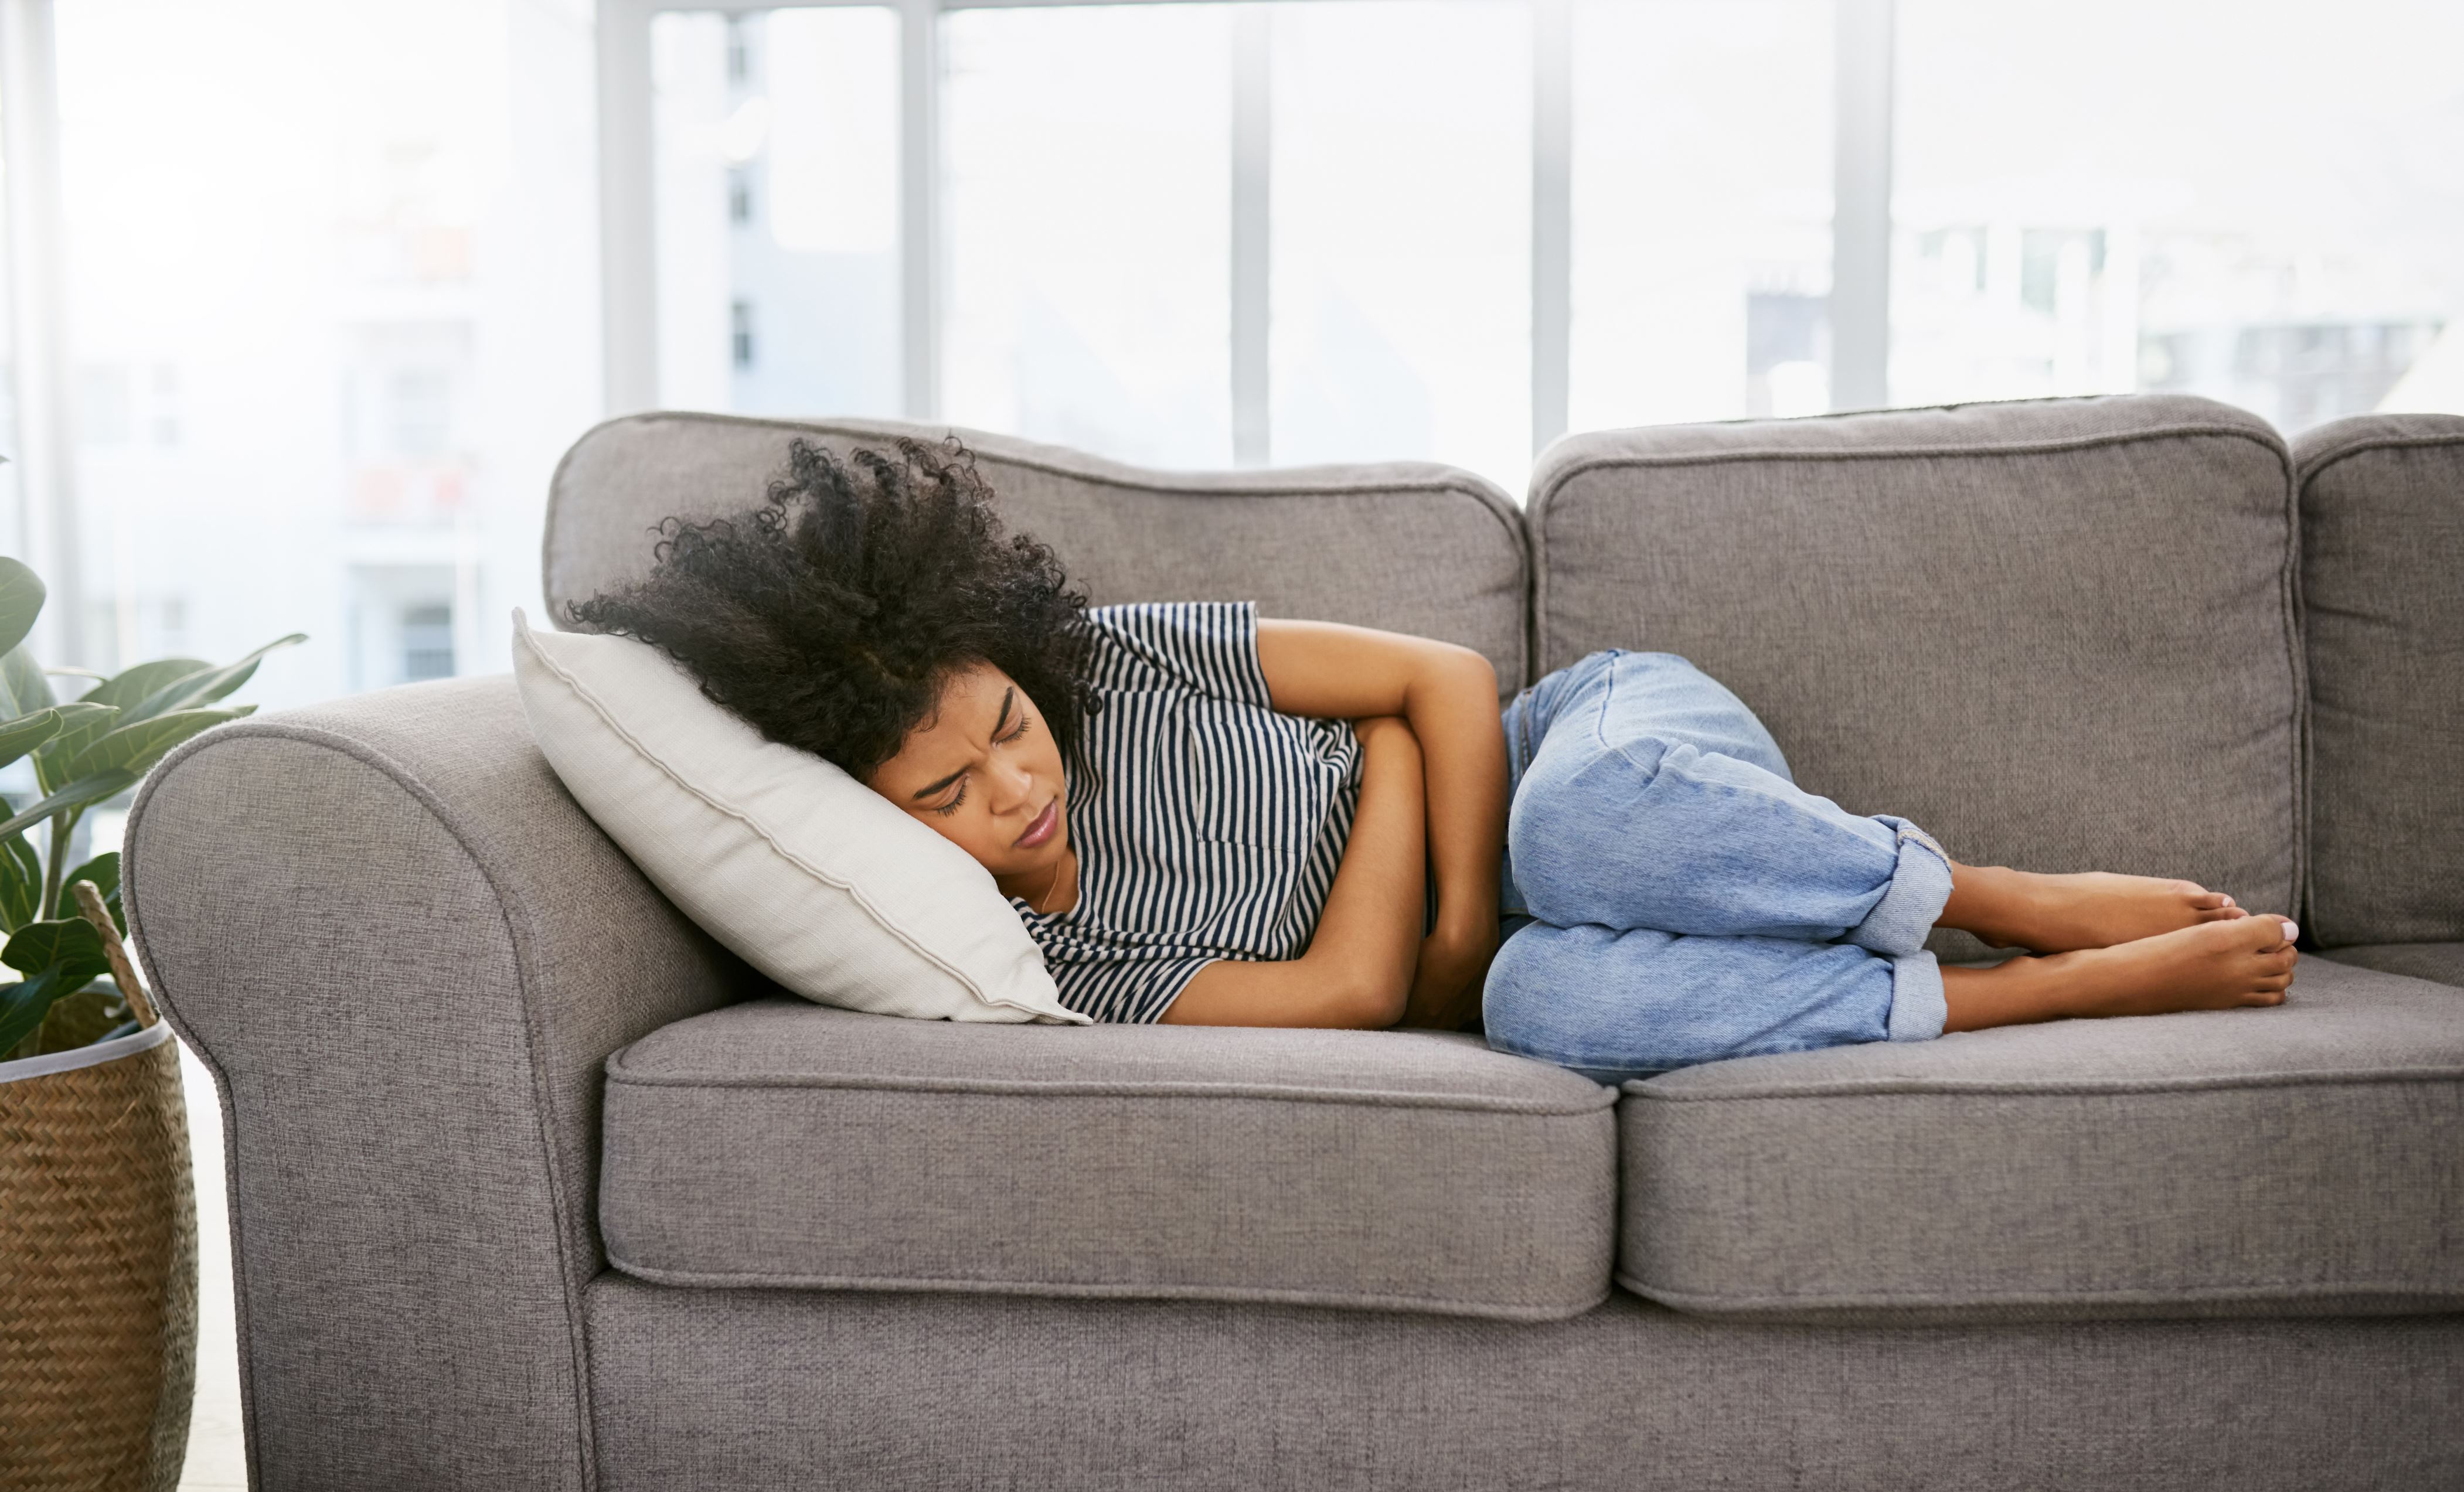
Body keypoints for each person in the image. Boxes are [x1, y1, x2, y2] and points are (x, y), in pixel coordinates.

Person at [571, 437, 2298, 1077]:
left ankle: (2000, 895)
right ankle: (2043, 995)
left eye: (1009, 732)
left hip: (1604, 760)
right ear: (864, 811)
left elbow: (1456, 682)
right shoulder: (1049, 957)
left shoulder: (1113, 659)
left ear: (1020, 668)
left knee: (1572, 837)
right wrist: (1391, 766)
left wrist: (1451, 922)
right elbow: (1341, 1000)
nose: (1015, 786)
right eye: (945, 797)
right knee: (1550, 1006)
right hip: (1548, 937)